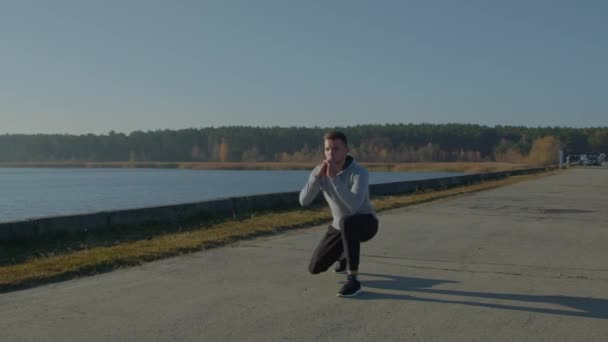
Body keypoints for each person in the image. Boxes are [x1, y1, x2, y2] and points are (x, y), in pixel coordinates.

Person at [299, 131, 378, 297]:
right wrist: (315, 178)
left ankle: (353, 280)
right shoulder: (319, 171)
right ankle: (343, 254)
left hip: (366, 223)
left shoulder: (360, 172)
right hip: (339, 227)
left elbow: (354, 206)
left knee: (348, 222)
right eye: (327, 149)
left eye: (335, 149)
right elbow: (304, 201)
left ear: (346, 150)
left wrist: (334, 179)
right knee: (315, 268)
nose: (330, 153)